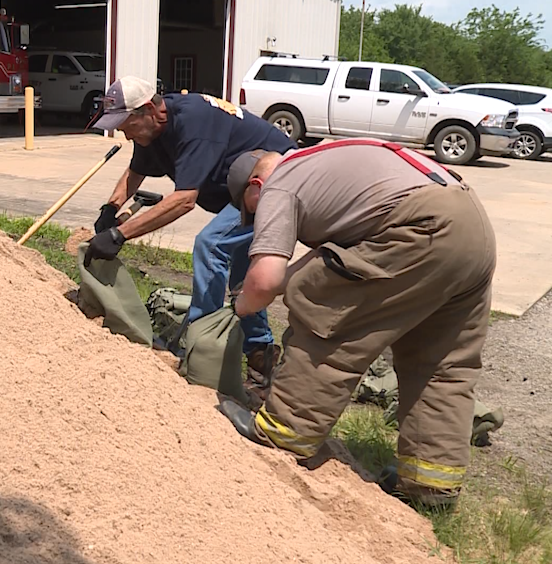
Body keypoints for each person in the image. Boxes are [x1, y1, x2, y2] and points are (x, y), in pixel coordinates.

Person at [218, 139, 496, 508]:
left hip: (423, 225)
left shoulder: (279, 184)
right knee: (441, 361)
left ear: (255, 187)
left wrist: (240, 306)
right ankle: (430, 485)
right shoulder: (322, 166)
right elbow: (323, 260)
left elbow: (266, 280)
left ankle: (285, 432)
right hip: (471, 227)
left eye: (251, 210)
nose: (255, 219)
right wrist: (266, 286)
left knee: (325, 314)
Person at [85, 76, 296, 404]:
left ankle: (202, 350)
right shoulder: (153, 128)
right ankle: (260, 358)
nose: (125, 134)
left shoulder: (193, 123)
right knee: (242, 277)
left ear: (149, 109)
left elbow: (185, 199)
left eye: (127, 125)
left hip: (275, 182)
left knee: (210, 245)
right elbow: (136, 169)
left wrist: (120, 234)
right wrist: (111, 209)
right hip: (243, 192)